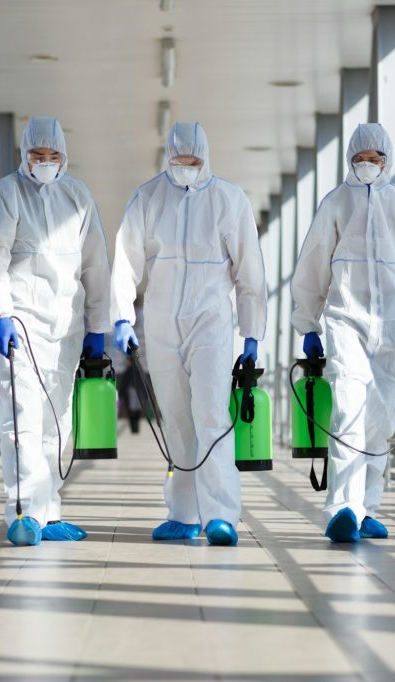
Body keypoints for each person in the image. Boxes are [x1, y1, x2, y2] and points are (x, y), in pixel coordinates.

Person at [111, 122, 267, 546]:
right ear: (168, 159)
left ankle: (220, 514)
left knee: (213, 413)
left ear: (206, 158)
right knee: (177, 418)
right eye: (178, 162)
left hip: (211, 320)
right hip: (161, 324)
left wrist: (252, 334)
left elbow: (249, 270)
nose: (185, 169)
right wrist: (122, 316)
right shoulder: (148, 197)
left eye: (193, 162)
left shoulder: (228, 199)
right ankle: (183, 512)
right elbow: (125, 260)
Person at [290, 123, 395, 543]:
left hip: (391, 328)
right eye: (362, 159)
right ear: (351, 160)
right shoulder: (336, 204)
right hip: (345, 321)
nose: (369, 166)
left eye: (376, 160)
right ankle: (342, 508)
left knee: (380, 419)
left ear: (387, 160)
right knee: (349, 409)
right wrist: (308, 323)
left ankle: (367, 507)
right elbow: (313, 266)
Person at [0, 116, 111, 547]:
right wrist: (0, 313)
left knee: (58, 422)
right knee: (22, 417)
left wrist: (98, 324)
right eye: (38, 156)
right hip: (24, 323)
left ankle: (49, 512)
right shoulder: (5, 194)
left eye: (53, 156)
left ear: (64, 156)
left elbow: (94, 263)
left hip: (66, 327)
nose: (45, 162)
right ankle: (24, 513)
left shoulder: (77, 196)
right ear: (25, 155)